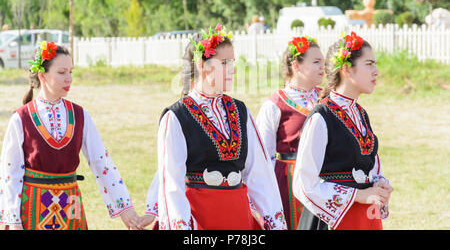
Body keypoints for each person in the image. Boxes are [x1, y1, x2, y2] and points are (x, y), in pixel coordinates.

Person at [148, 23, 286, 230]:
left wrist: (274, 223)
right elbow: (172, 185)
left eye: (232, 61)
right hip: (200, 219)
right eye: (225, 62)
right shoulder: (176, 117)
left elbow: (260, 173)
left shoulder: (240, 111)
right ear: (202, 66)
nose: (232, 69)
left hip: (238, 218)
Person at [0, 41, 141, 230]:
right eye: (61, 72)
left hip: (71, 209)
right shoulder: (21, 118)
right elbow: (10, 175)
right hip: (32, 211)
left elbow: (101, 162)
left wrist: (126, 209)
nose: (69, 79)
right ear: (42, 75)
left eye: (71, 72)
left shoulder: (79, 115)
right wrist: (13, 221)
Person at [292, 32, 393, 230]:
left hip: (363, 218)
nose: (376, 71)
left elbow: (369, 166)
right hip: (334, 222)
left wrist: (379, 184)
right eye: (369, 63)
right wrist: (357, 195)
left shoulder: (361, 114)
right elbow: (304, 183)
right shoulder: (322, 117)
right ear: (347, 69)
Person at [256, 36, 324, 230]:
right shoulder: (275, 104)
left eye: (324, 62)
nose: (323, 67)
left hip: (322, 176)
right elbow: (264, 156)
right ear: (297, 66)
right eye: (316, 62)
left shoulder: (326, 98)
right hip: (289, 179)